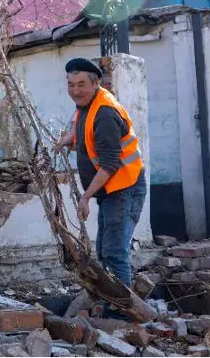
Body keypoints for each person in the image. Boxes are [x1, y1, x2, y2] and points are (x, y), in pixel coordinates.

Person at [56, 57, 147, 291]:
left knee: (114, 253)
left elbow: (108, 165)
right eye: (71, 85)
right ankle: (112, 305)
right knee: (104, 252)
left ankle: (122, 315)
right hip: (111, 190)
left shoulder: (105, 112)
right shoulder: (88, 105)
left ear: (95, 84)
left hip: (124, 188)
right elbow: (87, 131)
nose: (75, 91)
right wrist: (70, 137)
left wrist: (85, 197)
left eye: (81, 84)